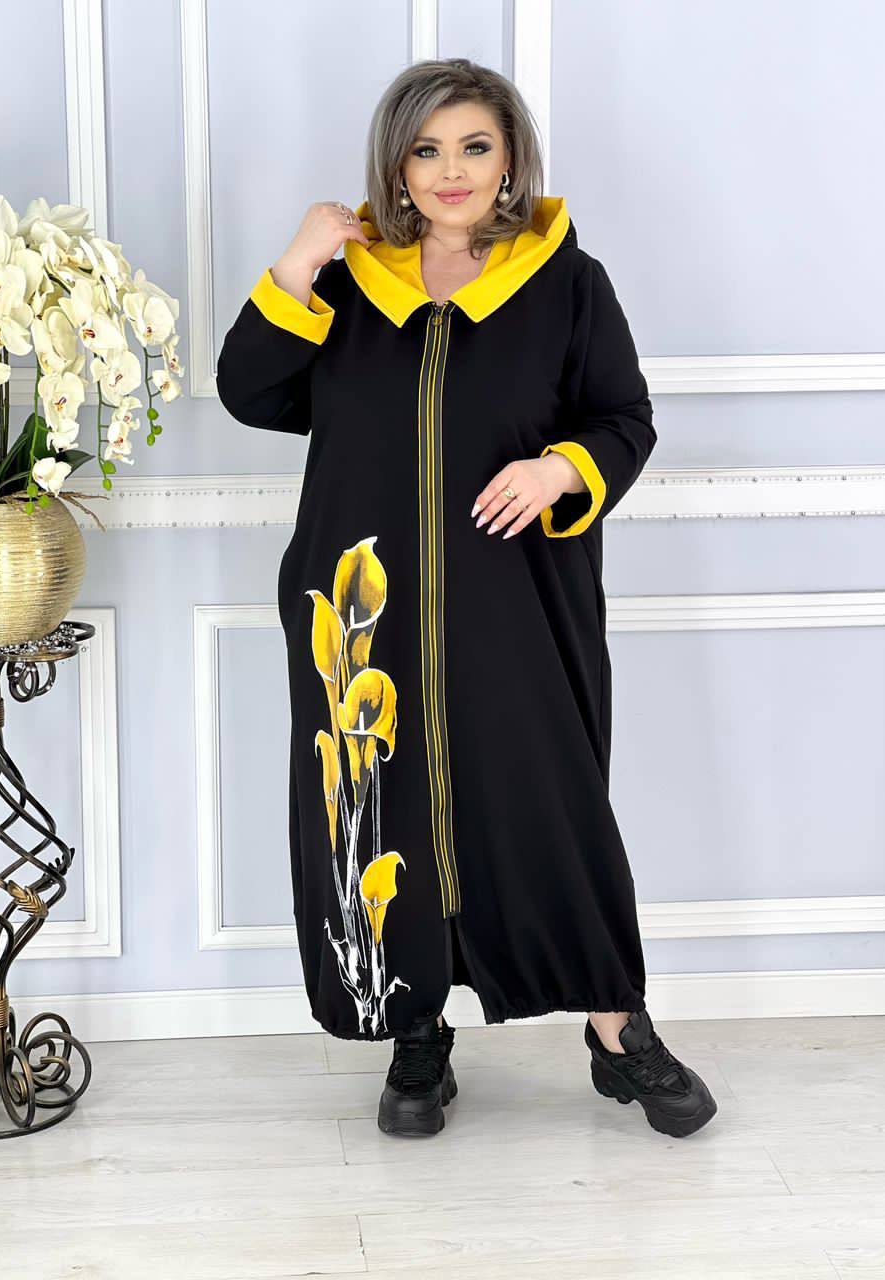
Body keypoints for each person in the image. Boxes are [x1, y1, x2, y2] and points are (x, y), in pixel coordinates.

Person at [216, 57, 717, 1140]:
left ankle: (615, 1025)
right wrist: (298, 263)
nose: (452, 171)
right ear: (396, 166)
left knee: (550, 804)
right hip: (364, 609)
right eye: (427, 149)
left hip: (519, 604)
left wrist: (558, 470)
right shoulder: (352, 282)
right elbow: (252, 391)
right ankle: (415, 1029)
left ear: (510, 158)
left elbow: (623, 419)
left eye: (475, 146)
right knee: (384, 805)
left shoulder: (565, 282)